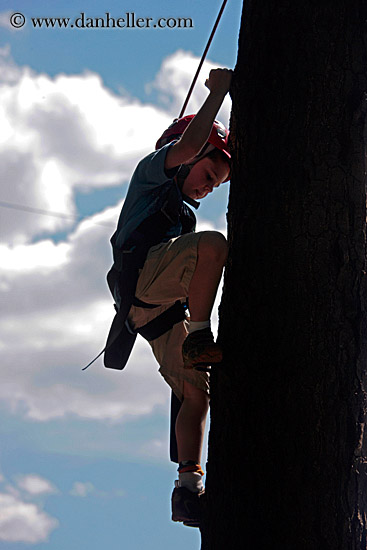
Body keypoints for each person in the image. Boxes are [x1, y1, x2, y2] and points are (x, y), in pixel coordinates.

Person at [107, 68, 232, 527]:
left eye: (217, 185)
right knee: (214, 247)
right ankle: (200, 335)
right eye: (206, 173)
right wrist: (217, 95)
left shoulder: (184, 216)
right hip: (142, 282)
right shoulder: (150, 176)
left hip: (154, 312)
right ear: (186, 155)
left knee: (196, 392)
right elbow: (185, 147)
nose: (207, 187)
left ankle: (187, 488)